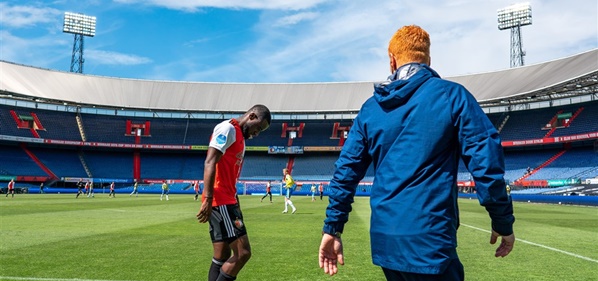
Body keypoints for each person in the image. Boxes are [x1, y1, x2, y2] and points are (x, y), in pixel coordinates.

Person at [318, 25, 515, 280]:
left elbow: (345, 172)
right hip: (430, 240)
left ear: (392, 61)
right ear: (429, 59)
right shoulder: (452, 96)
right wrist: (502, 222)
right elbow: (486, 164)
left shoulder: (370, 109)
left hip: (386, 241)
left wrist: (332, 228)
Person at [196, 104, 271, 281]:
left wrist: (235, 200)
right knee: (243, 252)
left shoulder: (240, 138)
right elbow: (210, 162)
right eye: (258, 127)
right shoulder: (227, 128)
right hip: (220, 200)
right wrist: (207, 198)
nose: (257, 133)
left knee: (222, 254)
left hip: (228, 199)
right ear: (251, 116)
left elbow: (229, 173)